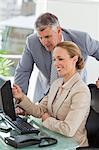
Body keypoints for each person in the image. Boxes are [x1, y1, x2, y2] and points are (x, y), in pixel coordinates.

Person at [12, 41, 91, 147]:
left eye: (60, 59)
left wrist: (47, 119)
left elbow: (68, 130)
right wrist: (21, 97)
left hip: (72, 145)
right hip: (53, 138)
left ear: (74, 59)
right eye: (54, 59)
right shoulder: (57, 83)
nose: (56, 63)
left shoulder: (81, 91)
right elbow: (40, 110)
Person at [14, 12, 99, 102]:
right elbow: (23, 71)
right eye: (40, 37)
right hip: (45, 95)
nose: (44, 42)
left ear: (59, 30)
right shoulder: (32, 42)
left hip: (74, 95)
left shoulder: (82, 40)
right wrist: (20, 101)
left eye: (47, 36)